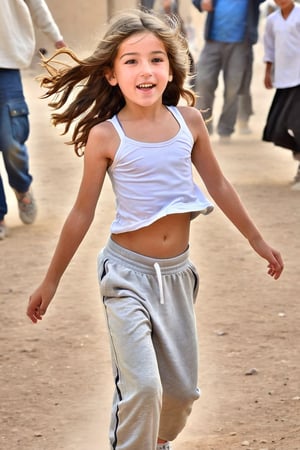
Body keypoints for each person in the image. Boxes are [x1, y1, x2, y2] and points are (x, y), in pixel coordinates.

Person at [26, 9, 283, 450]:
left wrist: (257, 240)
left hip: (178, 278)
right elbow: (81, 213)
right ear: (110, 75)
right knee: (143, 386)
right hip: (125, 276)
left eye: (156, 59)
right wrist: (51, 280)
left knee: (180, 394)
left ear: (170, 69)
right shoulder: (107, 136)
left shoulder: (190, 122)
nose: (145, 70)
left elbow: (217, 183)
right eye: (131, 61)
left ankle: (157, 441)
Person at [0, 0, 66, 240]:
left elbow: (35, 3)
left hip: (5, 63)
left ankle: (22, 186)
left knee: (11, 142)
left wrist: (54, 34)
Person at [192, 0, 264, 141]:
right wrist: (201, 3)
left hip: (240, 44)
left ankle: (225, 130)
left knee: (233, 89)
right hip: (212, 41)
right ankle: (204, 126)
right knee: (203, 81)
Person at [262, 0, 300, 190]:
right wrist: (268, 72)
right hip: (283, 80)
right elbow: (269, 48)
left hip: (299, 79)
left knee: (296, 124)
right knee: (275, 131)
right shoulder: (272, 20)